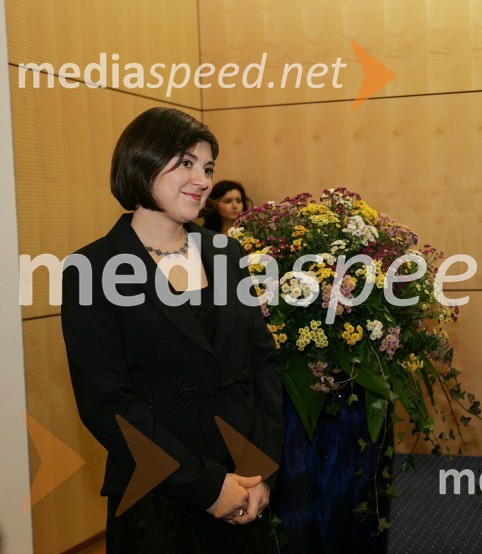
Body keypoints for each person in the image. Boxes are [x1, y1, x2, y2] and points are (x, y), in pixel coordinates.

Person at [61, 107, 283, 552]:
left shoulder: (226, 253)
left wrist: (262, 472)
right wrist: (206, 487)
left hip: (246, 491)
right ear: (141, 163)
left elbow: (263, 366)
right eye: (185, 163)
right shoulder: (92, 268)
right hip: (158, 501)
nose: (201, 179)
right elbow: (107, 404)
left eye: (207, 167)